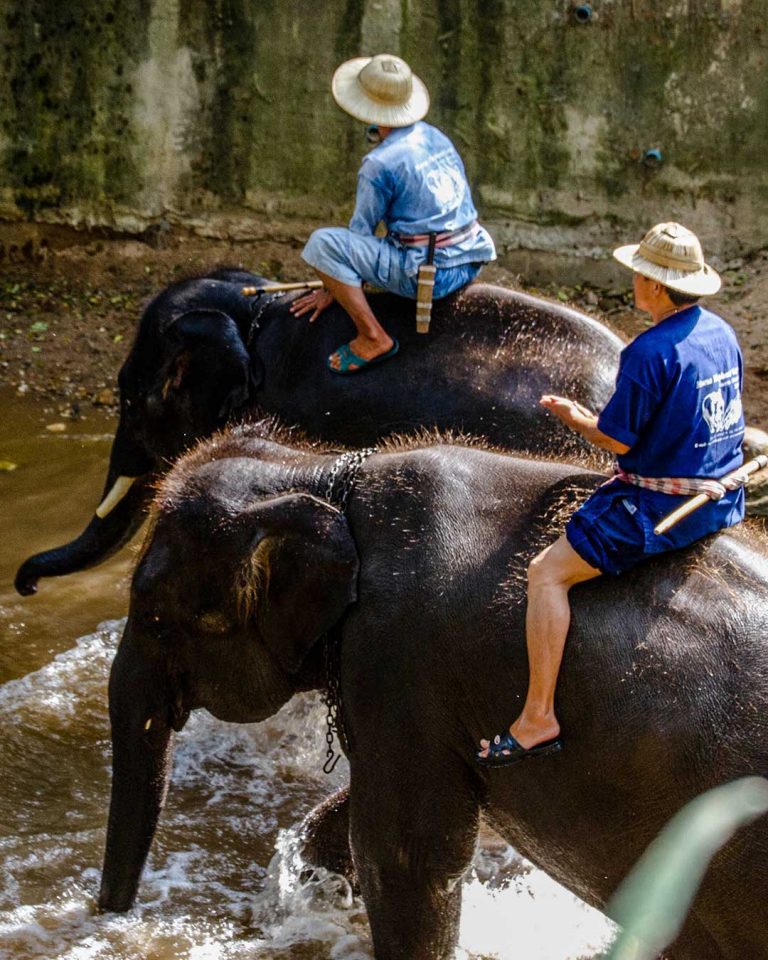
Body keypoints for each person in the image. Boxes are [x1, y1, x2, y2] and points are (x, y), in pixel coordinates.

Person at [478, 221, 746, 766]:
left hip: (663, 508)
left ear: (652, 284)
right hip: (721, 496)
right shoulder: (720, 331)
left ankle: (537, 717)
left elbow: (617, 438)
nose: (634, 281)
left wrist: (576, 417)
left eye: (638, 274)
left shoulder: (648, 352)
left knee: (545, 574)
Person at [289, 53, 496, 374]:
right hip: (470, 258)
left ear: (367, 107)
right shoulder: (434, 134)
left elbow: (360, 234)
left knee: (323, 245)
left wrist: (334, 284)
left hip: (434, 275)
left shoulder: (378, 163)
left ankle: (373, 337)